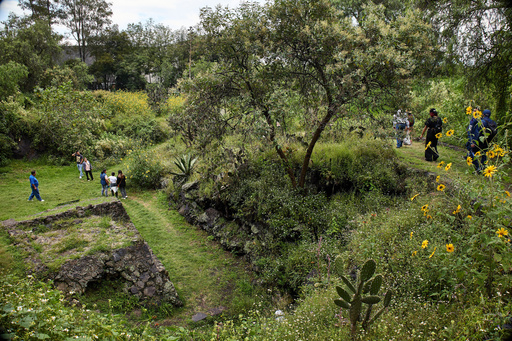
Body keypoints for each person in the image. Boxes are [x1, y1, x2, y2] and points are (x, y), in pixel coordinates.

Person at [467, 109, 497, 173]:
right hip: (487, 141)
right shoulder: (493, 123)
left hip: (479, 141)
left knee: (472, 152)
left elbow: (476, 132)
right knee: (484, 154)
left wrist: (473, 142)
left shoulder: (482, 122)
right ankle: (483, 168)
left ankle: (477, 167)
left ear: (483, 114)